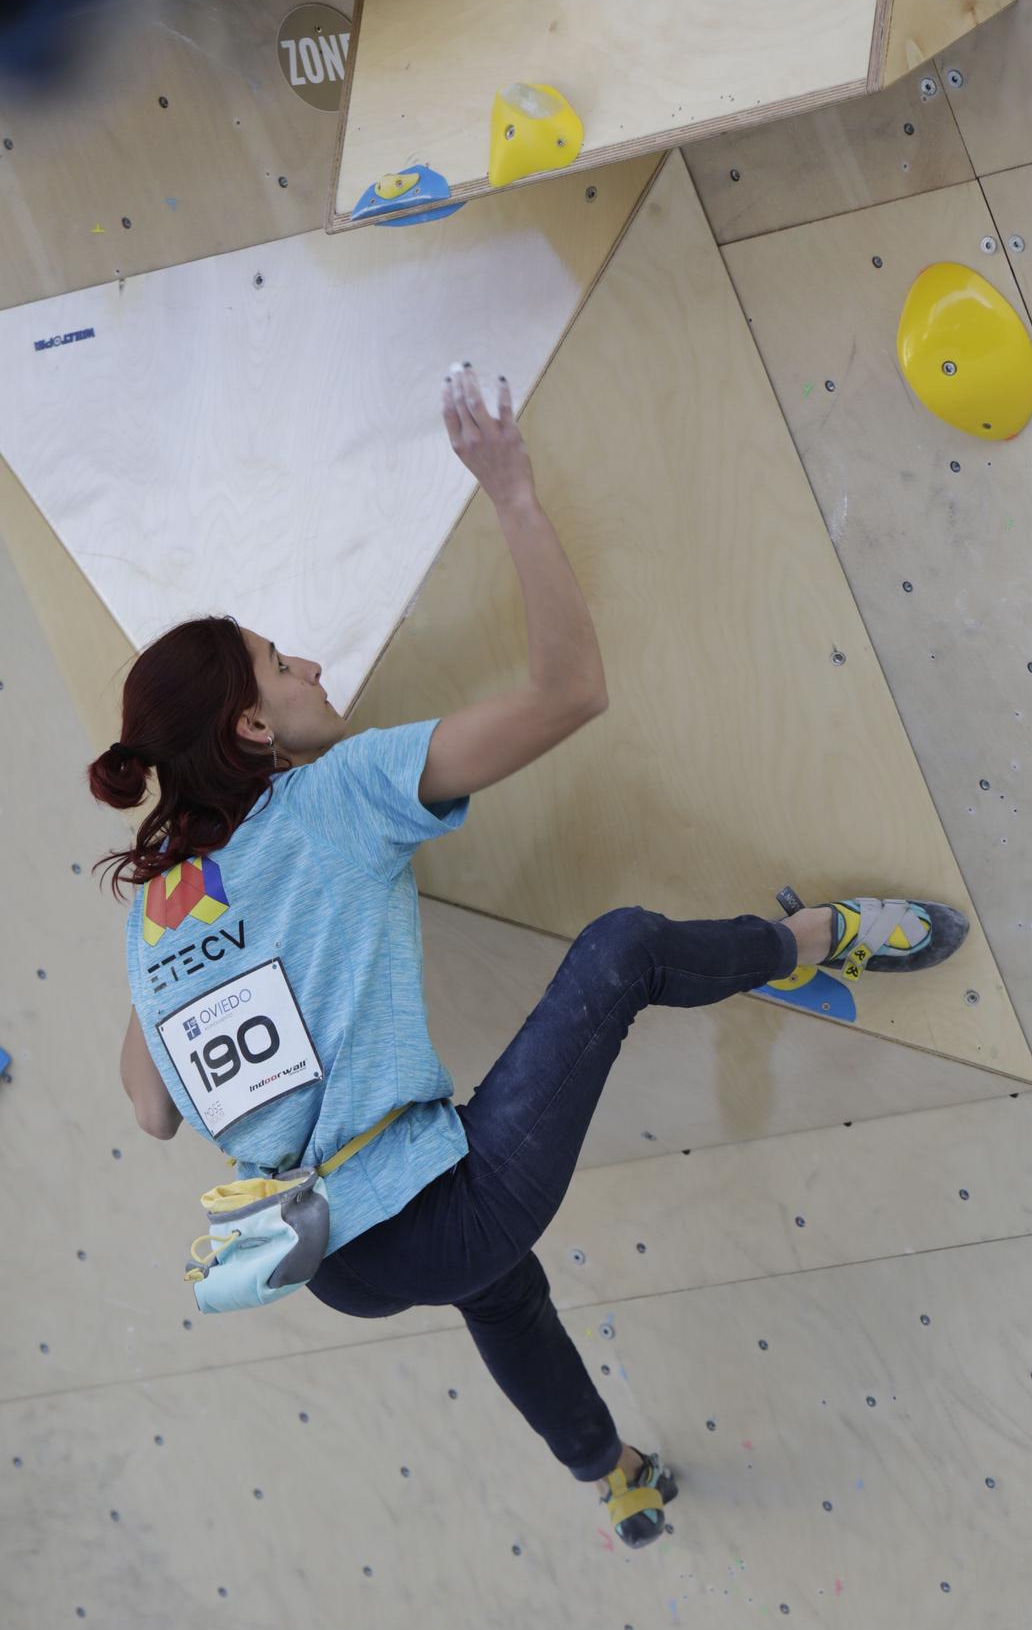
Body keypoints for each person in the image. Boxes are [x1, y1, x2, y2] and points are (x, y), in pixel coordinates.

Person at [91, 363, 969, 1550]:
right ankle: (822, 938)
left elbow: (150, 1107)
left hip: (340, 1263)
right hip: (436, 1199)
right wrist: (508, 489)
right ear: (254, 728)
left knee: (500, 1294)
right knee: (616, 952)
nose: (310, 666)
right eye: (283, 663)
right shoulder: (336, 794)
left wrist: (173, 967)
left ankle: (614, 1476)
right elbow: (571, 691)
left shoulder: (161, 909)